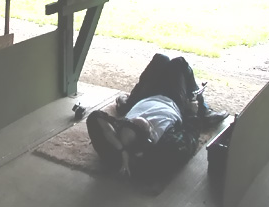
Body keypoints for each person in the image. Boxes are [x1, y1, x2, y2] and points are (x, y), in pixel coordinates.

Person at [87, 53, 229, 182]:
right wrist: (192, 112)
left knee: (161, 59)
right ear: (149, 138)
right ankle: (204, 110)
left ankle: (127, 104)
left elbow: (96, 117)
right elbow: (190, 139)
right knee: (178, 63)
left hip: (142, 99)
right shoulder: (167, 147)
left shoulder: (113, 150)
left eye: (129, 121)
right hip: (173, 101)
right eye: (148, 123)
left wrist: (122, 149)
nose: (147, 117)